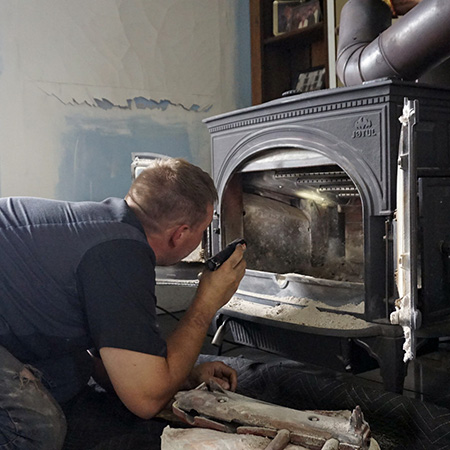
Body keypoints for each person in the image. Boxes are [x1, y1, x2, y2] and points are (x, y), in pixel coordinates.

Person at [0, 157, 246, 450]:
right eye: (202, 230)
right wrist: (206, 303)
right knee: (35, 428)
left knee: (72, 371)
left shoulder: (109, 226)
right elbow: (146, 401)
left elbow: (117, 367)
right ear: (179, 234)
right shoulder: (121, 256)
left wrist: (181, 377)